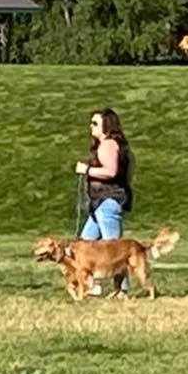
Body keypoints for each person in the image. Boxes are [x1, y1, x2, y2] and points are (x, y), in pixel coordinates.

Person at [75, 108, 134, 294]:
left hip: (107, 202)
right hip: (100, 204)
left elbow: (111, 171)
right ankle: (92, 286)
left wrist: (87, 170)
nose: (90, 127)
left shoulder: (108, 145)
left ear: (106, 127)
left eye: (95, 123)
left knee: (115, 250)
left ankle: (121, 290)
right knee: (84, 244)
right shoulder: (113, 145)